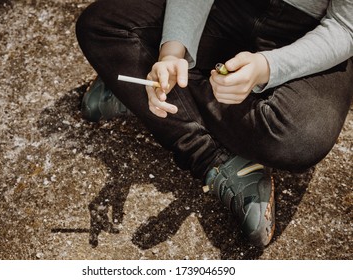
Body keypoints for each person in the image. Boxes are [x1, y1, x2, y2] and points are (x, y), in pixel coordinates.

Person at [76, 0, 353, 247]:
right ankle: (213, 159)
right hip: (224, 7)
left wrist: (267, 68)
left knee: (300, 139)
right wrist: (172, 53)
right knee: (101, 25)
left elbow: (345, 27)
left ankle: (137, 88)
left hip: (309, 29)